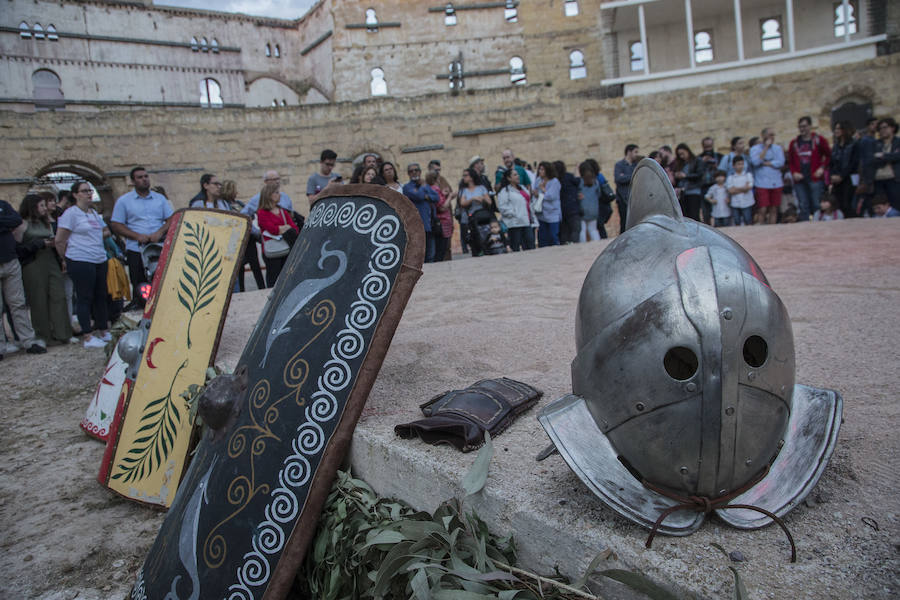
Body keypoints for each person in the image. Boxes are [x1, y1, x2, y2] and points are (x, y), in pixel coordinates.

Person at [56, 180, 112, 349]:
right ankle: (87, 335)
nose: (89, 194)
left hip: (99, 258)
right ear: (75, 194)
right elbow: (60, 239)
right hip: (80, 258)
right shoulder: (71, 214)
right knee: (84, 297)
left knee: (101, 295)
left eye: (90, 190)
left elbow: (105, 230)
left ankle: (103, 329)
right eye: (84, 191)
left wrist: (94, 238)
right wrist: (65, 258)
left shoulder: (92, 213)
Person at [110, 166, 174, 311]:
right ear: (133, 181)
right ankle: (141, 308)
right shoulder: (124, 201)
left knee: (163, 280)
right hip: (136, 248)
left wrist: (160, 232)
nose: (144, 179)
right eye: (140, 177)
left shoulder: (159, 199)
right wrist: (136, 236)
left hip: (158, 247)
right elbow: (116, 224)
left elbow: (171, 219)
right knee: (140, 283)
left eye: (146, 176)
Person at [17, 194, 73, 345]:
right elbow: (18, 249)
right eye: (41, 205)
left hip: (51, 260)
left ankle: (63, 333)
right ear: (32, 207)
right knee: (38, 299)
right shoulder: (22, 224)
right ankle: (43, 335)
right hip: (33, 263)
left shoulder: (46, 223)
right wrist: (39, 244)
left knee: (58, 295)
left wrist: (61, 258)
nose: (44, 208)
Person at [1, 198, 48, 357]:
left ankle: (28, 341)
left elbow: (16, 220)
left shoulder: (3, 205)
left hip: (10, 260)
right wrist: (5, 225)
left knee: (18, 303)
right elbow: (11, 222)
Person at [222, 180, 265, 292]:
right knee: (239, 267)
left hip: (249, 238)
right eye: (235, 190)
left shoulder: (239, 203)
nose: (237, 192)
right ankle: (241, 290)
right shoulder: (225, 205)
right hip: (238, 240)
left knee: (255, 265)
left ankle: (261, 287)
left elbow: (251, 215)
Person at [787, 116, 832, 222]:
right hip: (800, 179)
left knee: (817, 204)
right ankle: (806, 226)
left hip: (815, 177)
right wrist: (794, 172)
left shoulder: (818, 140)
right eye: (800, 127)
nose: (802, 129)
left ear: (810, 126)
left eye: (804, 126)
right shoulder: (794, 143)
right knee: (803, 205)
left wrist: (822, 168)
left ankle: (818, 225)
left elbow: (829, 155)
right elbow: (791, 161)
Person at [257, 181, 299, 287]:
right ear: (269, 195)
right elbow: (273, 230)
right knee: (273, 278)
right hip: (272, 250)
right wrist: (285, 227)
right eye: (276, 192)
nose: (279, 194)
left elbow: (294, 228)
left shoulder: (282, 211)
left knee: (287, 278)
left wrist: (282, 228)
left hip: (285, 248)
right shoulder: (262, 213)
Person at [402, 163, 439, 263]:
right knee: (420, 256)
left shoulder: (425, 185)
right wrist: (423, 188)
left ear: (420, 172)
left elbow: (436, 197)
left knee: (431, 255)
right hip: (417, 226)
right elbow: (418, 196)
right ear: (408, 174)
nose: (414, 172)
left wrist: (426, 195)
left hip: (429, 224)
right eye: (411, 171)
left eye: (416, 170)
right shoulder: (407, 187)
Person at [750, 128, 785, 225]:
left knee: (774, 208)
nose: (772, 137)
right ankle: (761, 228)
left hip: (776, 182)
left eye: (773, 135)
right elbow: (756, 162)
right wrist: (765, 148)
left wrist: (767, 163)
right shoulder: (755, 149)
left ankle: (772, 228)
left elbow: (780, 162)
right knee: (763, 209)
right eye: (770, 135)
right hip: (761, 183)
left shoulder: (777, 148)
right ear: (763, 136)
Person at [495, 167, 535, 251]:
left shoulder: (522, 188)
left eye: (518, 174)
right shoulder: (505, 191)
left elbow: (528, 202)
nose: (518, 176)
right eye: (515, 175)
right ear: (509, 178)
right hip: (515, 224)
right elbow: (502, 207)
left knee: (530, 245)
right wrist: (515, 214)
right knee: (516, 247)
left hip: (526, 221)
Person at [458, 167, 491, 256]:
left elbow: (489, 201)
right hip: (470, 218)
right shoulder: (464, 190)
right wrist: (472, 199)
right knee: (473, 238)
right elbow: (462, 203)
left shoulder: (481, 188)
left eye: (466, 175)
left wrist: (482, 198)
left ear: (471, 177)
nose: (464, 177)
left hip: (482, 218)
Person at [829, 121, 859, 218]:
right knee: (837, 204)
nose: (836, 131)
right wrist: (832, 176)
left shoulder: (854, 144)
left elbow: (853, 163)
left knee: (848, 204)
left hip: (849, 179)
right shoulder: (836, 146)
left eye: (839, 128)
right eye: (835, 128)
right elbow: (832, 163)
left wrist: (842, 176)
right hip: (836, 180)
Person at [872, 117, 900, 211]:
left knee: (896, 207)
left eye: (885, 127)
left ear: (892, 128)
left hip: (894, 179)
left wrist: (883, 156)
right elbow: (872, 159)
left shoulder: (898, 142)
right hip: (878, 180)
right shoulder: (876, 144)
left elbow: (897, 156)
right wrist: (890, 156)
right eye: (880, 128)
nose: (882, 130)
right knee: (880, 208)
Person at [425, 171, 452, 262]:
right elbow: (442, 207)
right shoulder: (435, 189)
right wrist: (450, 196)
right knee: (441, 250)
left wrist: (443, 194)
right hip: (442, 223)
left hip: (440, 222)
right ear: (437, 179)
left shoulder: (431, 189)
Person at [855, 117, 879, 217]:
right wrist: (865, 179)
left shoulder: (875, 140)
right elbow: (864, 161)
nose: (875, 126)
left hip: (873, 176)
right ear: (868, 126)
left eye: (876, 124)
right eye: (873, 124)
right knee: (867, 202)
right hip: (867, 177)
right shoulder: (866, 140)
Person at [672, 143, 703, 221]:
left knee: (694, 215)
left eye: (683, 153)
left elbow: (699, 175)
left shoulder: (697, 160)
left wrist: (686, 176)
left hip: (693, 190)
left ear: (687, 151)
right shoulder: (680, 164)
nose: (682, 156)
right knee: (685, 216)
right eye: (680, 155)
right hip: (682, 192)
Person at [534, 161, 561, 247]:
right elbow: (535, 192)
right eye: (539, 169)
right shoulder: (538, 180)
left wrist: (542, 189)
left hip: (552, 213)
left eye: (542, 169)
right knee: (542, 238)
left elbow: (551, 196)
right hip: (541, 213)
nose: (540, 171)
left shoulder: (555, 182)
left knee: (553, 236)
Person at [614, 144, 639, 233]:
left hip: (635, 198)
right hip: (623, 199)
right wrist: (632, 176)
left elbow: (639, 176)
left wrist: (625, 176)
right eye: (635, 152)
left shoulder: (636, 165)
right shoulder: (619, 165)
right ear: (629, 152)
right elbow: (618, 179)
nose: (637, 154)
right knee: (624, 223)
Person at [698, 137, 724, 225]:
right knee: (706, 211)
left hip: (717, 185)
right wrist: (702, 163)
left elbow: (723, 171)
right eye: (706, 147)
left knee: (720, 209)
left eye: (710, 146)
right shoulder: (698, 159)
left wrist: (716, 166)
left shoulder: (719, 157)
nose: (708, 149)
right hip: (704, 186)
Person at [555, 160, 581, 244]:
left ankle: (565, 244)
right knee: (575, 228)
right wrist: (577, 170)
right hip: (572, 207)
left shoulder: (555, 180)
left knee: (564, 230)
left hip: (561, 208)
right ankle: (574, 244)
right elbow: (577, 181)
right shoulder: (568, 176)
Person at [725, 156, 754, 226]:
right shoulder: (730, 177)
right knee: (737, 222)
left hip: (747, 202)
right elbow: (731, 191)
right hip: (735, 203)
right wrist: (744, 188)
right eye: (738, 164)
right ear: (733, 166)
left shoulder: (748, 175)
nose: (741, 166)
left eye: (742, 164)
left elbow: (749, 187)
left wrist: (736, 189)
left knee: (748, 221)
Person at [576, 162, 602, 241]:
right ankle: (597, 244)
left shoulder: (580, 182)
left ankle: (583, 245)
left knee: (582, 230)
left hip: (583, 209)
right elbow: (599, 194)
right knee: (593, 229)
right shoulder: (595, 182)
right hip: (594, 209)